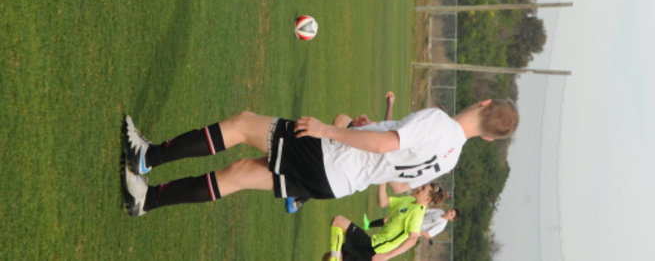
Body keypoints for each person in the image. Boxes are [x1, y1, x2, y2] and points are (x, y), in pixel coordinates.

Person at [122, 97, 518, 216]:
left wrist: (329, 130)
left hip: (330, 156)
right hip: (337, 183)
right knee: (240, 173)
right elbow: (398, 181)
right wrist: (368, 129)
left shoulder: (439, 121)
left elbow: (386, 146)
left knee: (243, 124)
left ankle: (146, 157)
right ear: (487, 138)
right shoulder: (451, 158)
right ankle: (147, 199)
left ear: (483, 103)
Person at [323, 182, 447, 261]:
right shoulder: (409, 200)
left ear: (427, 199)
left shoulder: (418, 213)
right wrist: (383, 181)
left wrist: (387, 256)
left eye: (423, 188)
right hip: (374, 242)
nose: (419, 187)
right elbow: (383, 202)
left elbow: (413, 239)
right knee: (328, 256)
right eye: (422, 185)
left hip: (376, 250)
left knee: (338, 221)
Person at [365, 207, 460, 244]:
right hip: (412, 220)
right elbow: (426, 211)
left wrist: (415, 229)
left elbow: (428, 235)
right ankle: (368, 225)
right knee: (390, 219)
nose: (449, 212)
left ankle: (372, 244)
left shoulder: (441, 225)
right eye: (451, 210)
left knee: (390, 235)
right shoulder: (440, 211)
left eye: (451, 214)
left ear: (452, 219)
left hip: (411, 230)